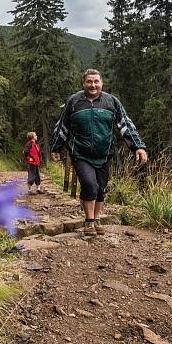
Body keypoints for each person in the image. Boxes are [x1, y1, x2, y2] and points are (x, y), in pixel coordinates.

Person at [51, 69, 148, 236]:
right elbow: (62, 126)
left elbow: (125, 124)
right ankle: (89, 222)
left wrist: (138, 146)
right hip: (80, 152)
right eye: (89, 81)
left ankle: (96, 219)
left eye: (96, 81)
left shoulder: (111, 102)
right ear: (83, 84)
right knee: (90, 184)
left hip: (104, 154)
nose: (93, 85)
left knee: (100, 188)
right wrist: (56, 147)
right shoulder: (74, 102)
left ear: (101, 83)